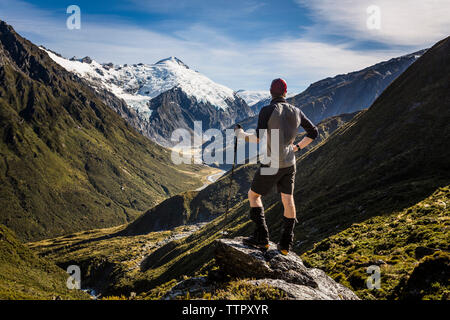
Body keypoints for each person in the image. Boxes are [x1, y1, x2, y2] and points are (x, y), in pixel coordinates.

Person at [234, 78, 318, 255]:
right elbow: (314, 132)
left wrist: (240, 134)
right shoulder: (297, 111)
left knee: (254, 195)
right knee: (288, 200)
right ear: (285, 92)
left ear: (271, 92)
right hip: (290, 162)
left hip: (272, 162)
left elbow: (258, 138)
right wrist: (297, 147)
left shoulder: (267, 110)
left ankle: (262, 238)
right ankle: (286, 244)